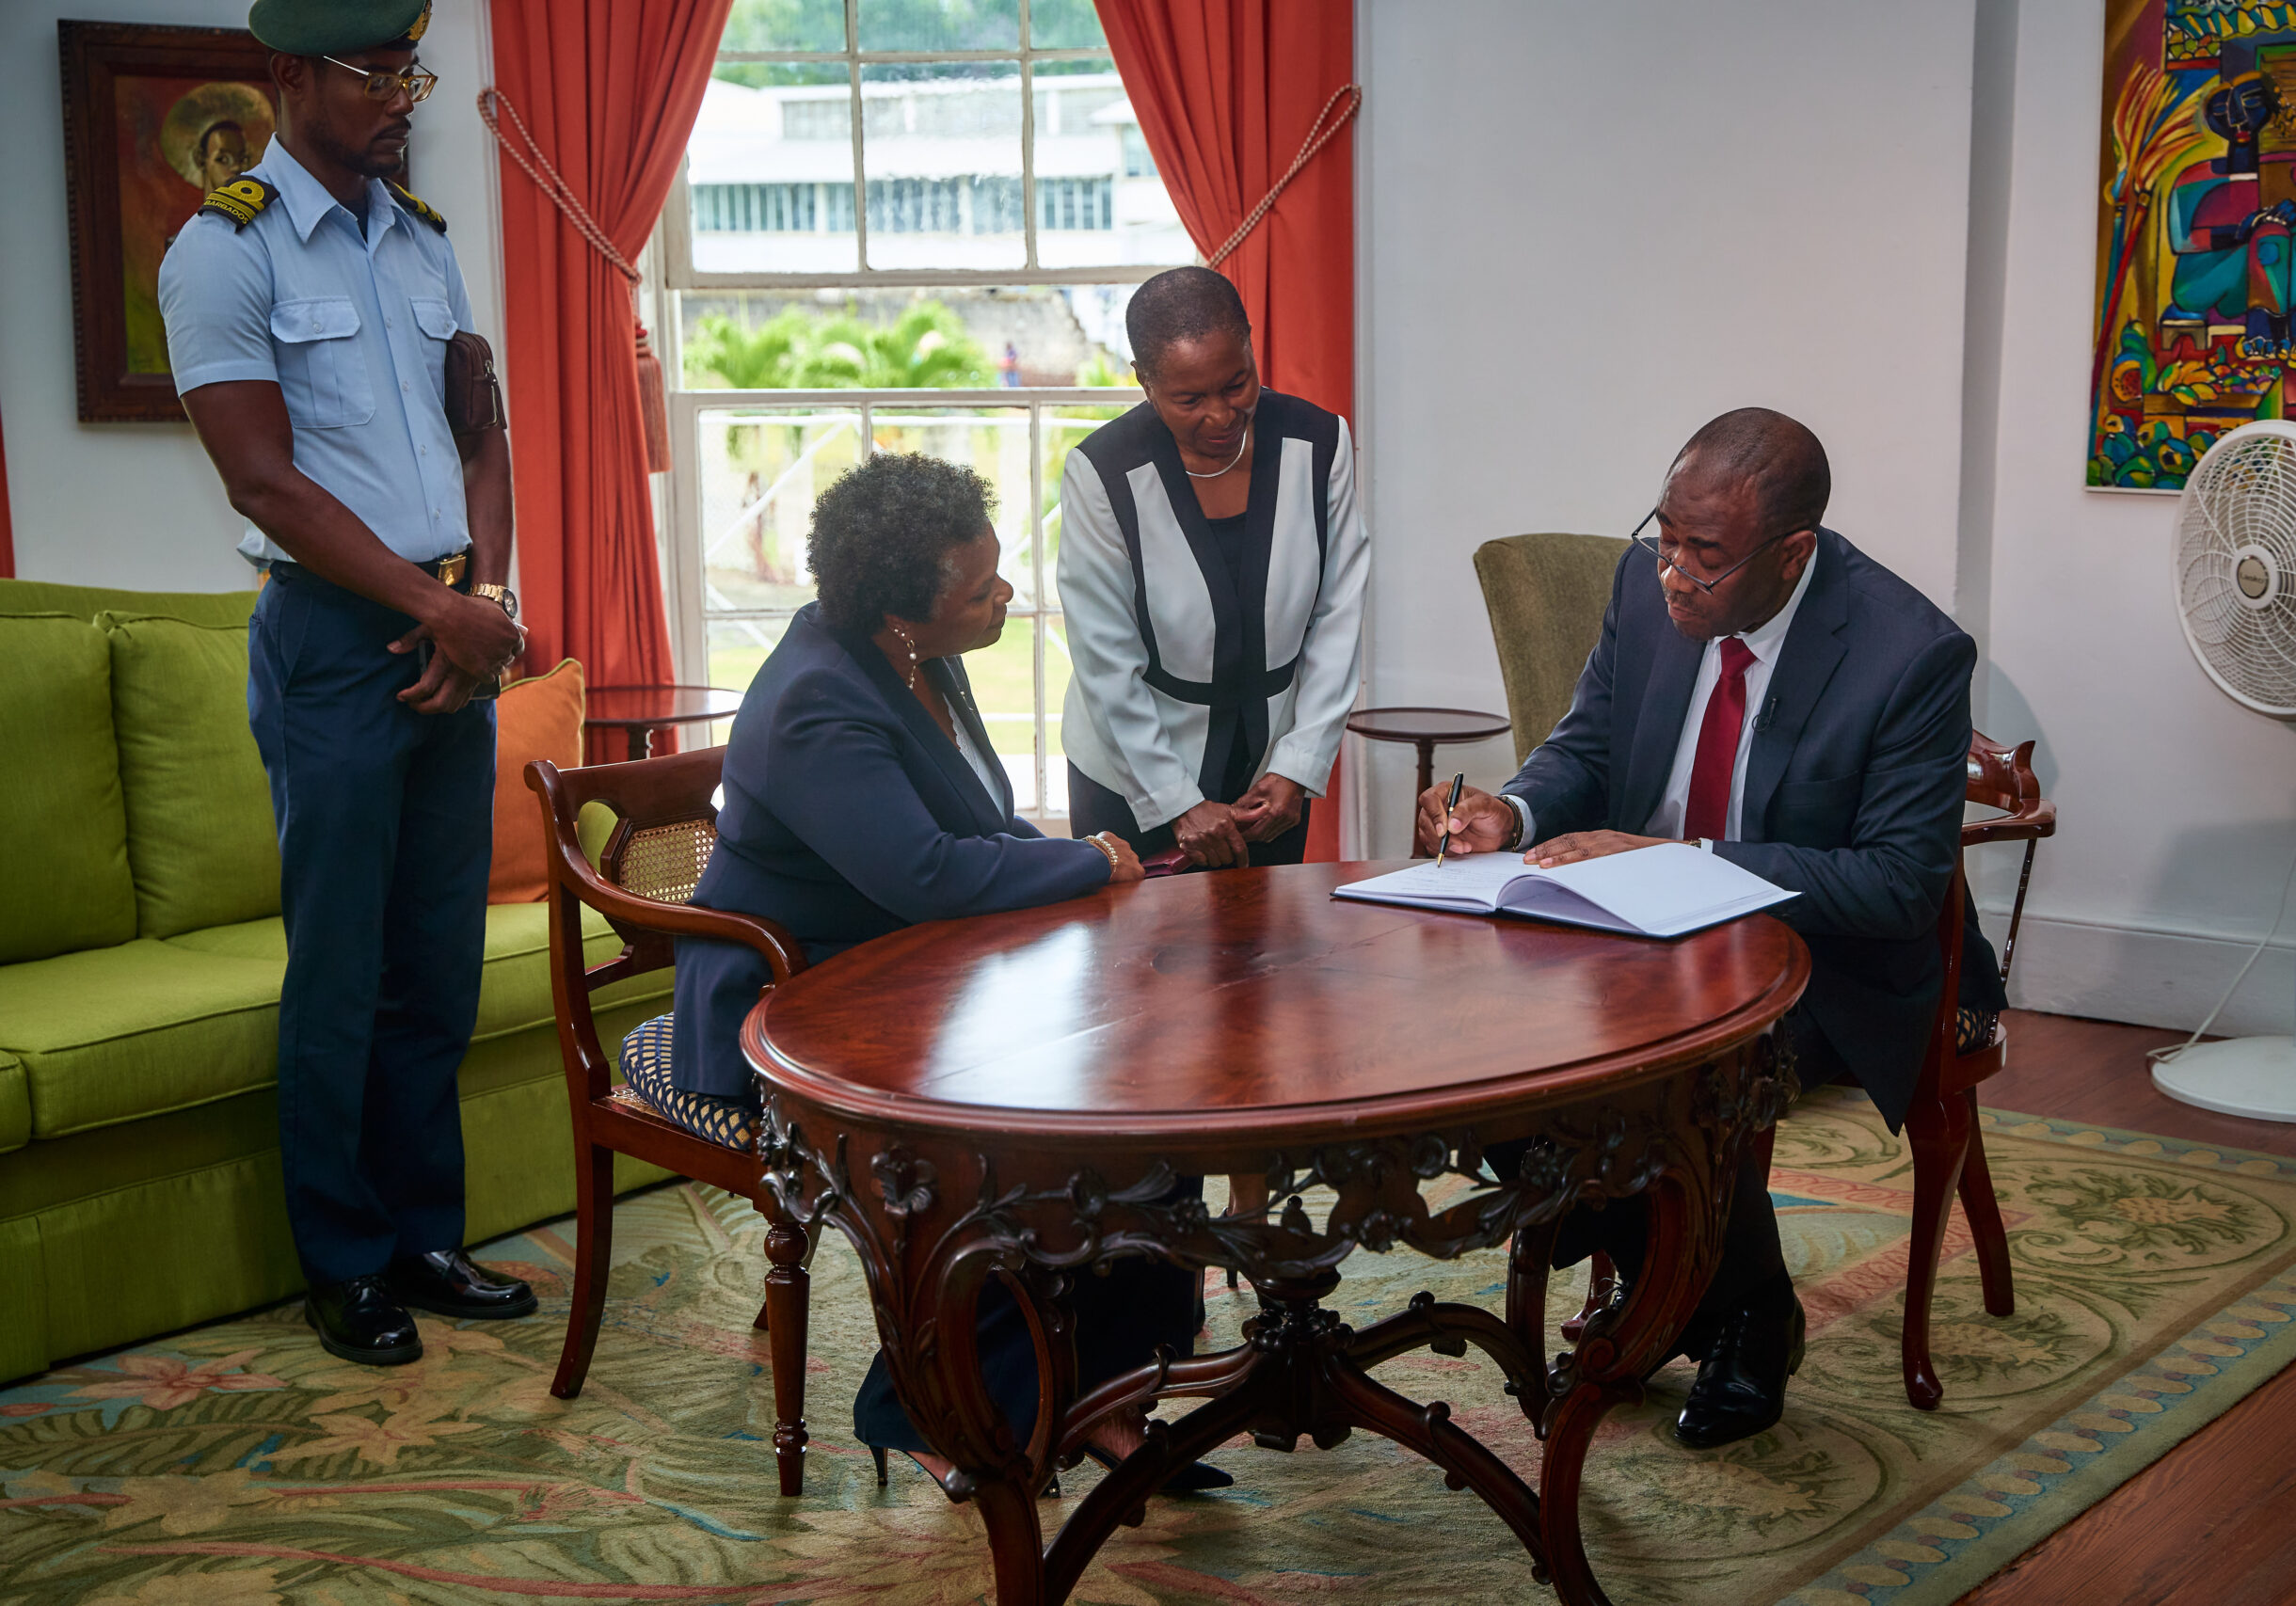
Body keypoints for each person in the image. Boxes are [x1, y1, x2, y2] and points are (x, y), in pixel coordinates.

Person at [1418, 408, 2006, 1449]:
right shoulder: (1644, 595)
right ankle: (1719, 1295)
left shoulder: (1908, 652)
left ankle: (1724, 1315)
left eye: (1707, 557)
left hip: (1821, 958)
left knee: (1671, 1071)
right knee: (1477, 1048)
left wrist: (1681, 866)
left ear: (1792, 554)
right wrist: (1513, 813)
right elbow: (1586, 748)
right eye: (1665, 537)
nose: (1673, 575)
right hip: (1633, 932)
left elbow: (1895, 887)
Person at [638, 453, 1223, 1489]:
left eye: (998, 578)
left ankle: (1105, 1388)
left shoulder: (914, 656)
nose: (1005, 599)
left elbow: (979, 824)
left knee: (1149, 1083)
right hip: (793, 1004)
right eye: (982, 591)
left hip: (914, 973)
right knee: (1015, 1127)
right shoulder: (819, 696)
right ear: (904, 611)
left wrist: (1078, 870)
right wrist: (1089, 859)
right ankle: (929, 1406)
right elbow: (923, 874)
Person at [160, 0, 533, 1370]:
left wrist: (480, 602)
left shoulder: (421, 243)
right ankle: (345, 1259)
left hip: (452, 625)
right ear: (286, 79)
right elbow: (263, 477)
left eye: (408, 73)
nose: (400, 99)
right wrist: (436, 606)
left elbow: (480, 432)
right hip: (334, 639)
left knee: (433, 956)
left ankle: (427, 1233)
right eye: (374, 76)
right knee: (342, 966)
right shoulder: (224, 251)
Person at [1057, 267, 1367, 869]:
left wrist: (1297, 767)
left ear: (1251, 347)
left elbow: (1338, 616)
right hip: (1130, 772)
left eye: (1236, 384)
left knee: (1267, 956)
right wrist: (1174, 800)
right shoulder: (1102, 473)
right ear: (1145, 383)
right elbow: (1104, 656)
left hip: (1268, 779)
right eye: (1190, 399)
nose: (1222, 416)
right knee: (1141, 958)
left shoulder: (1320, 443)